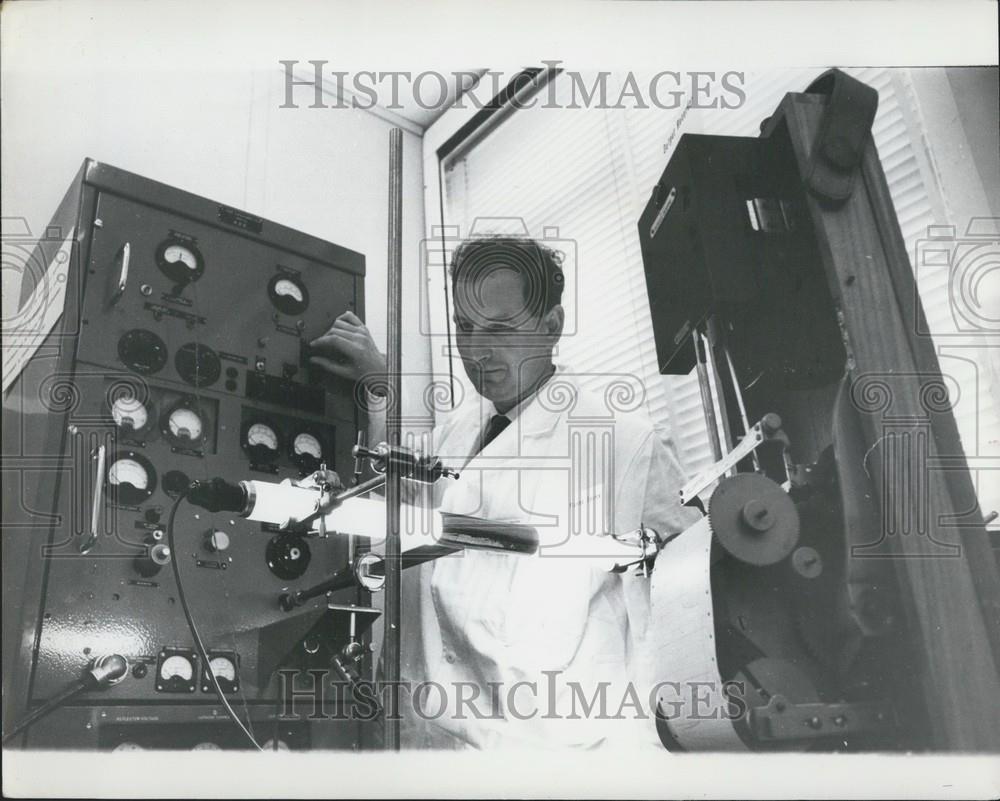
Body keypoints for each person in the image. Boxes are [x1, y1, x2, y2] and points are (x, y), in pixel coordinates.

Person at [308, 235, 697, 749]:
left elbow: (691, 599)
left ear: (552, 327)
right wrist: (380, 388)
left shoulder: (623, 444)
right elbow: (396, 526)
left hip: (558, 761)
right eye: (465, 327)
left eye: (500, 329)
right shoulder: (454, 435)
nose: (476, 351)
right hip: (431, 751)